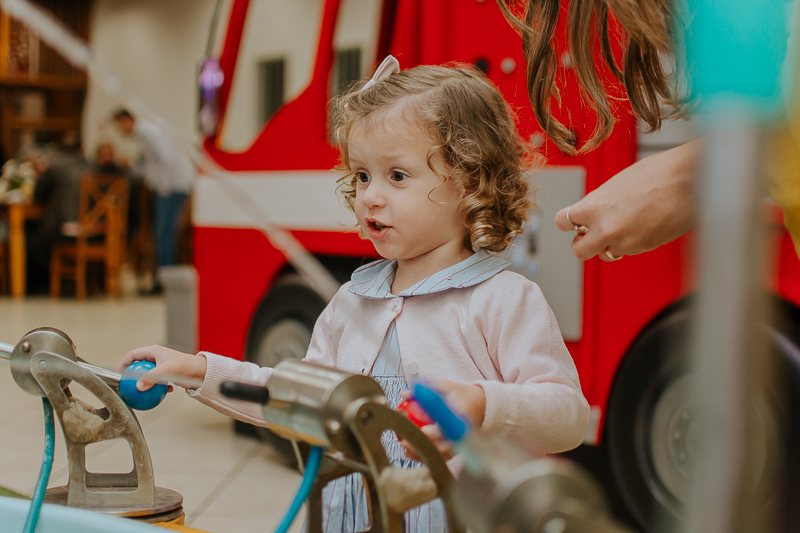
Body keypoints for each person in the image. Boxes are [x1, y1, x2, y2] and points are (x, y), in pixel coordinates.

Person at [116, 59, 590, 533]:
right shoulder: (352, 300)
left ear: (469, 180)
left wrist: (483, 404)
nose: (370, 197)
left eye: (397, 176)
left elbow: (567, 416)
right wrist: (195, 370)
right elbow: (294, 397)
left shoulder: (503, 299)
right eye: (362, 175)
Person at [112, 108, 193, 294]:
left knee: (163, 234)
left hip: (170, 187)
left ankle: (164, 283)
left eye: (120, 126)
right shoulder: (147, 131)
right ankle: (161, 280)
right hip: (168, 186)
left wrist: (159, 184)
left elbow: (166, 158)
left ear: (127, 120)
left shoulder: (147, 132)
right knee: (162, 234)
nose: (121, 131)